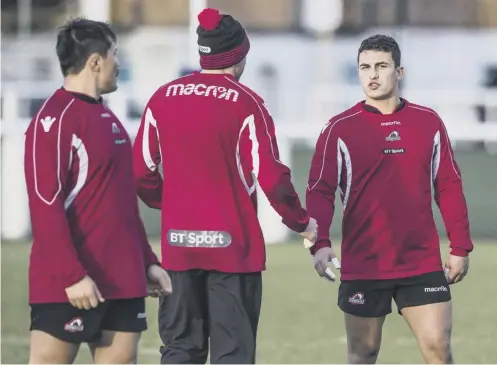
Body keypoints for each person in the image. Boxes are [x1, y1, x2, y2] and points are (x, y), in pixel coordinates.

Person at [132, 8, 317, 364]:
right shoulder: (248, 104)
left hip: (179, 249)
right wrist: (302, 223)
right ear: (240, 55)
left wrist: (168, 203)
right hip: (234, 252)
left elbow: (141, 171)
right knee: (233, 355)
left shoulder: (162, 98)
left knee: (180, 350)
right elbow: (273, 178)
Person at [306, 34, 473, 364]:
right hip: (365, 264)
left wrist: (460, 247)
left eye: (381, 66)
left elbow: (449, 186)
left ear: (399, 72)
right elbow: (320, 191)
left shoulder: (428, 122)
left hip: (420, 261)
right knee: (362, 353)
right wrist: (319, 243)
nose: (372, 74)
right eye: (365, 67)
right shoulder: (339, 128)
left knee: (438, 347)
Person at [23, 18, 172, 364]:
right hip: (69, 285)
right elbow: (45, 207)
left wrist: (147, 262)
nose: (118, 63)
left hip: (123, 281)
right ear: (95, 61)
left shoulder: (108, 117)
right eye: (114, 54)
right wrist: (72, 276)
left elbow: (122, 205)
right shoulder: (53, 120)